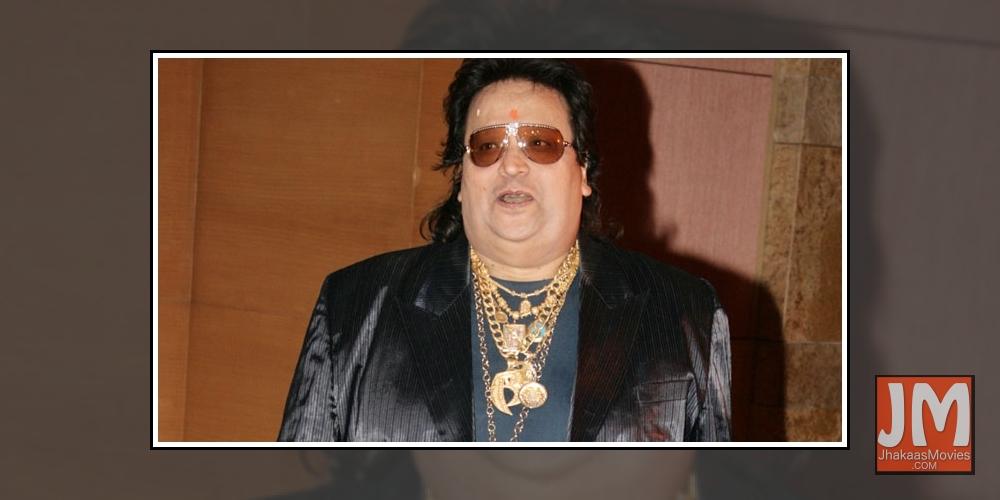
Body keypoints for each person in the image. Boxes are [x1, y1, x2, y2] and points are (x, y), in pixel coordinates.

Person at [277, 58, 732, 442]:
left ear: (583, 171)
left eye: (540, 144)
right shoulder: (355, 305)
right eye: (488, 146)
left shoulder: (683, 313)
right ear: (462, 178)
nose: (512, 164)